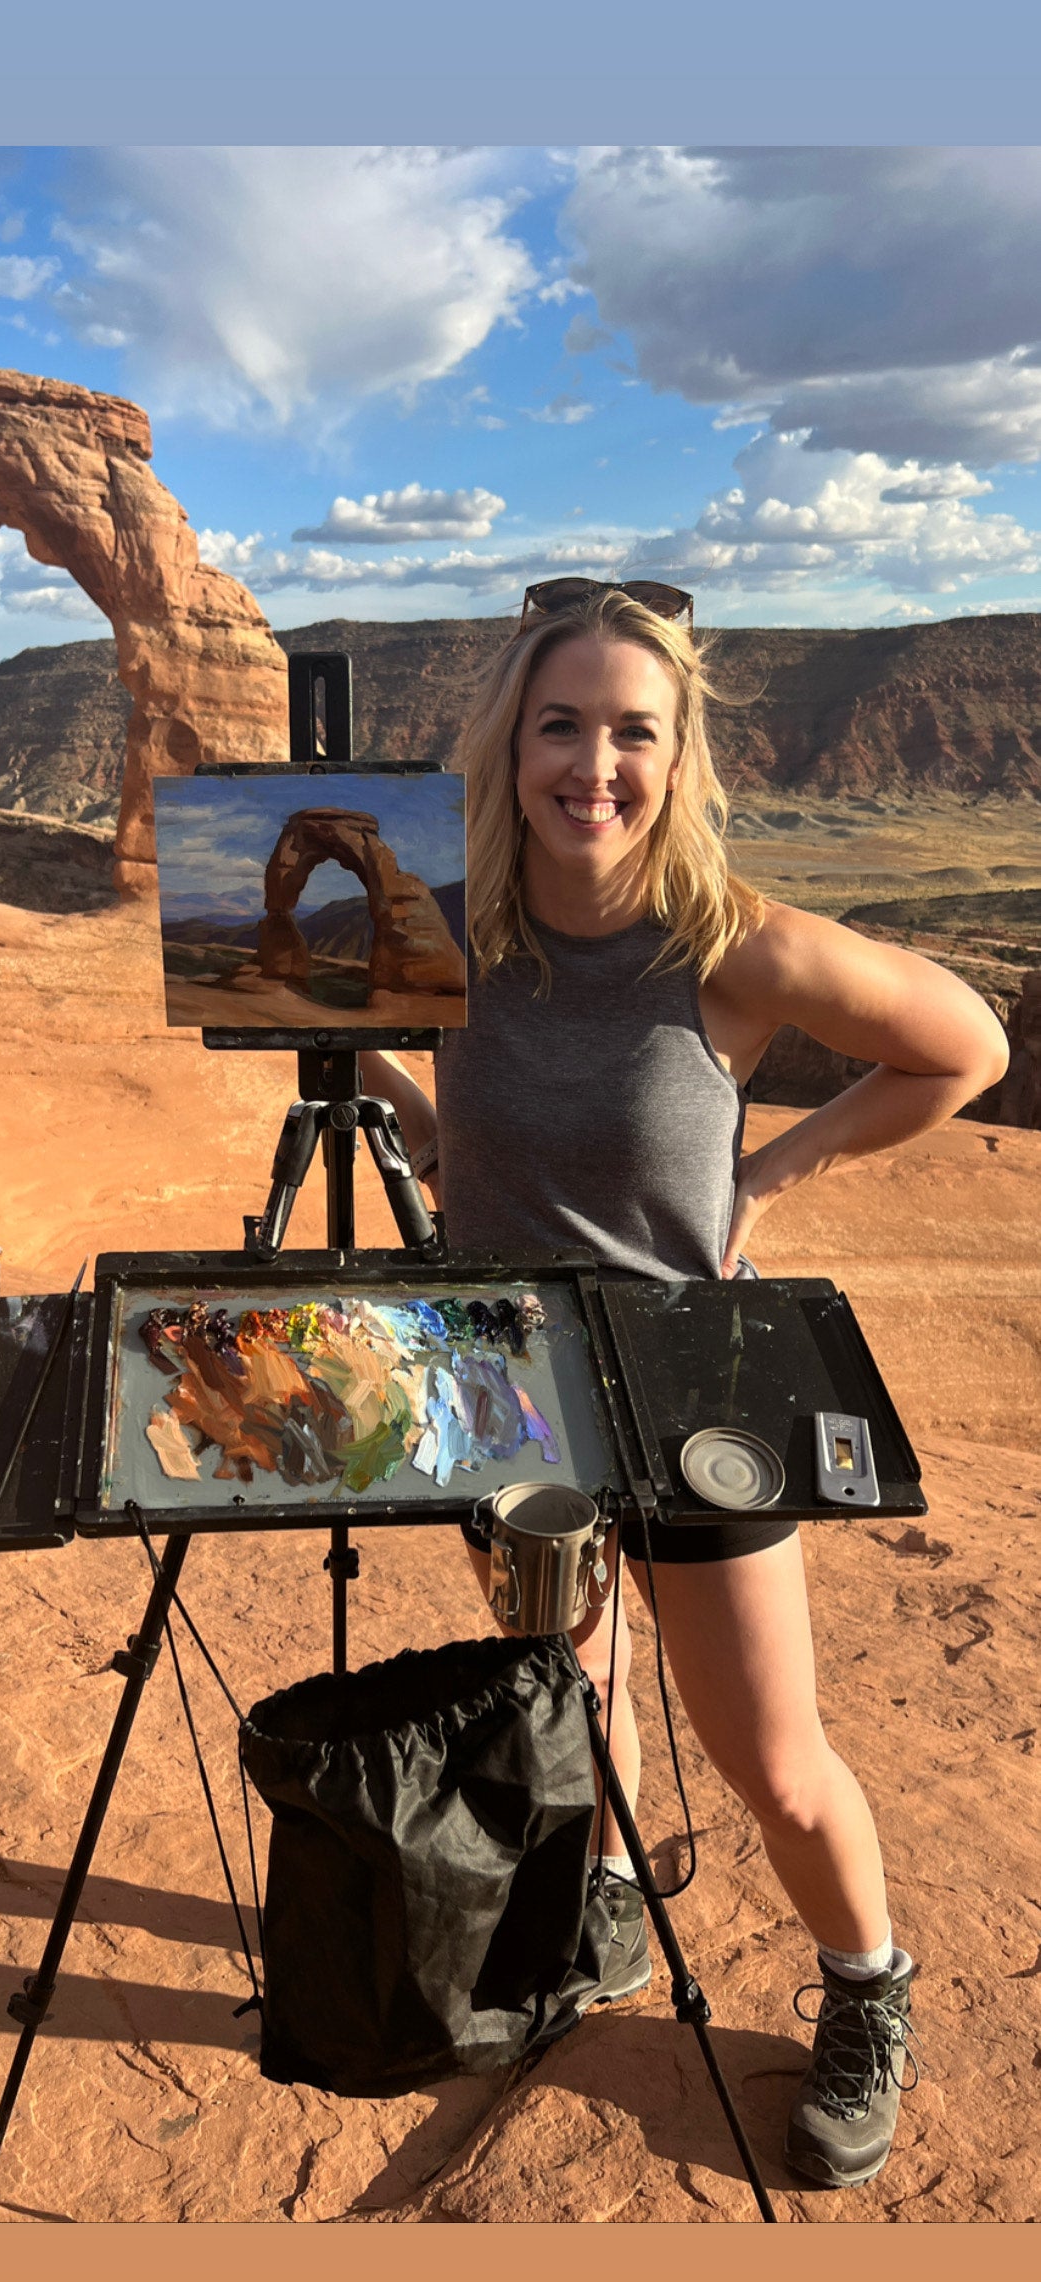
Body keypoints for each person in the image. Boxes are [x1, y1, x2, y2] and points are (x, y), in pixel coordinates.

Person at [359, 578, 1009, 2191]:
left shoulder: (730, 946)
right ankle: (607, 1904)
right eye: (560, 725)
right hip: (510, 1391)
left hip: (694, 1395)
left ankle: (867, 1984)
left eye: (633, 732)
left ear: (678, 751)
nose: (595, 765)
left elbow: (967, 1044)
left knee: (774, 1759)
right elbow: (327, 1025)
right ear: (511, 744)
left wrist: (776, 1169)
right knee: (576, 1686)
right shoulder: (449, 930)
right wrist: (428, 1126)